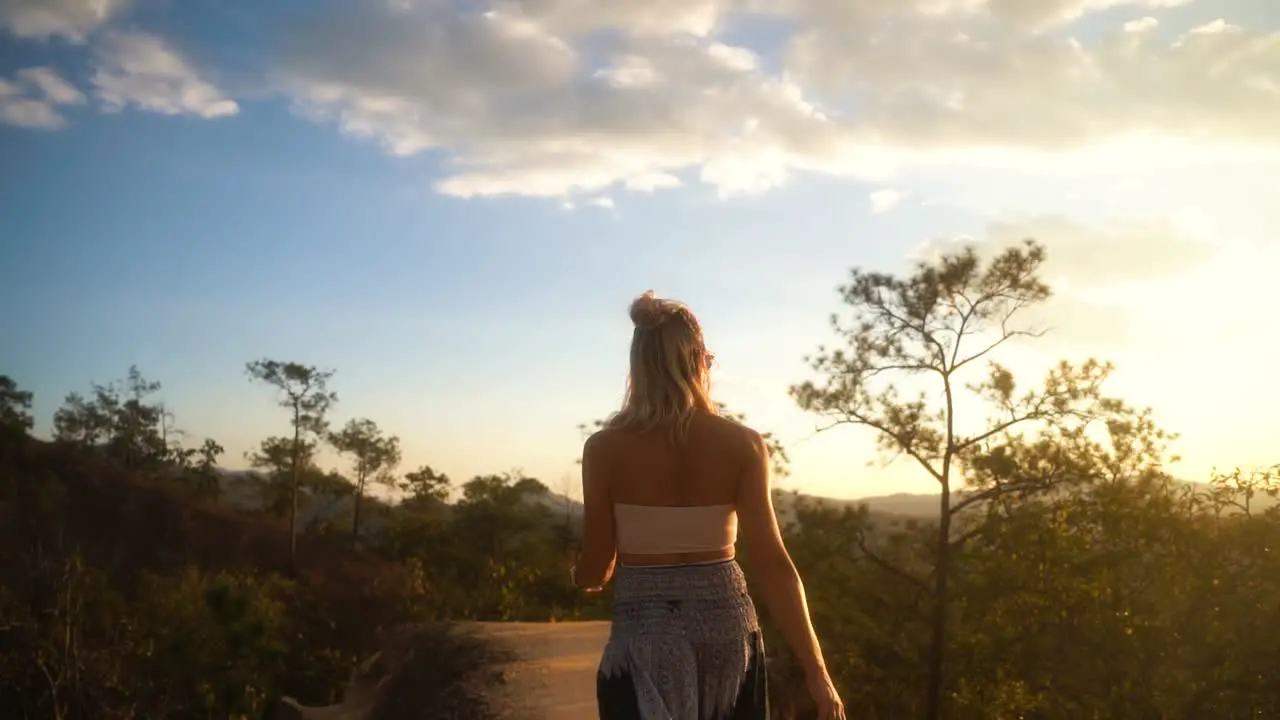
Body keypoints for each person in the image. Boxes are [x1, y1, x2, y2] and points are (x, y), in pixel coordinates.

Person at [572, 290, 845, 720]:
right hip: (727, 630)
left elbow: (596, 568)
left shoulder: (605, 449)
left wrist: (580, 575)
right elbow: (774, 565)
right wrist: (818, 672)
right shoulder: (744, 445)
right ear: (700, 361)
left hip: (644, 632)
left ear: (638, 367)